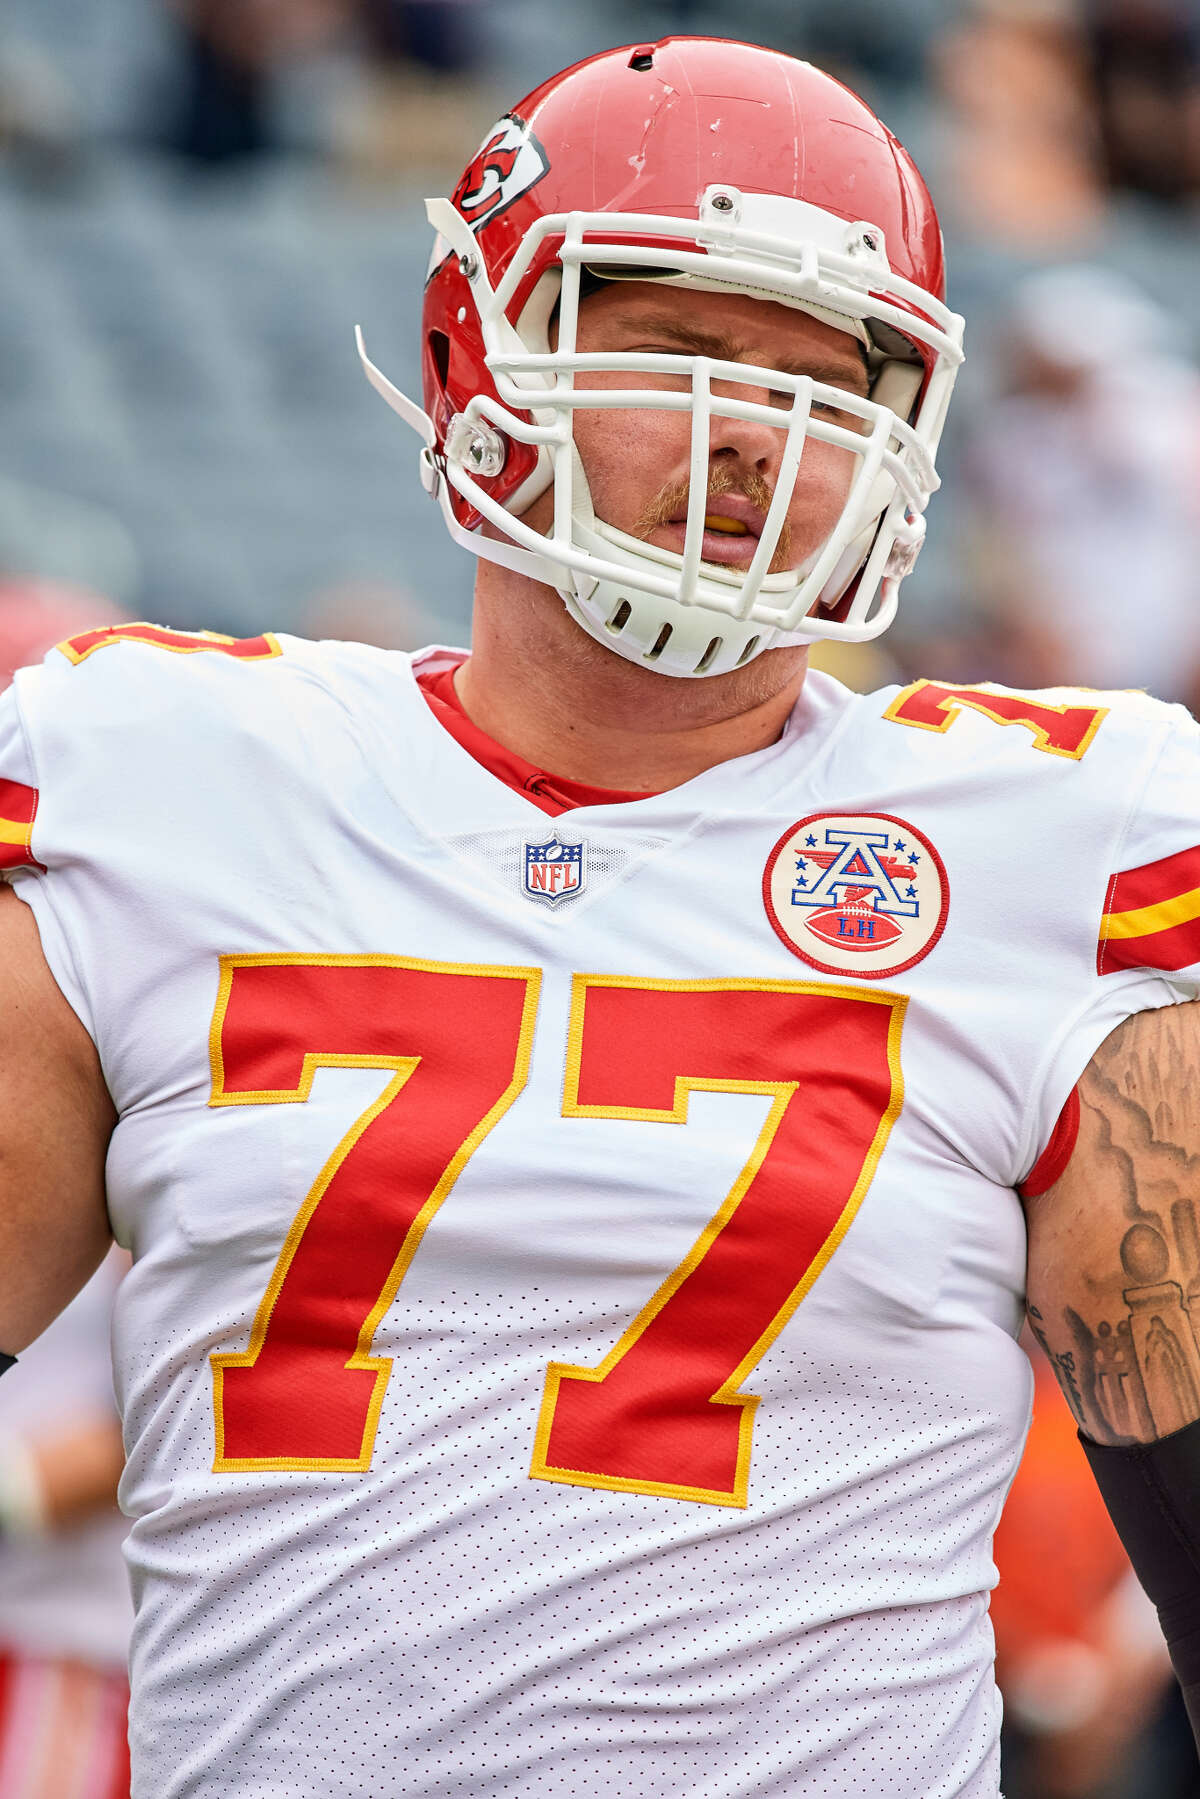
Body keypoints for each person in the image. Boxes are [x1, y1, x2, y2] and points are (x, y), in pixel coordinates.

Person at [0, 37, 1198, 1799]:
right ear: (481, 348)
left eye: (829, 378)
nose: (761, 436)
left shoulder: (1061, 841)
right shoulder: (160, 779)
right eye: (688, 352)